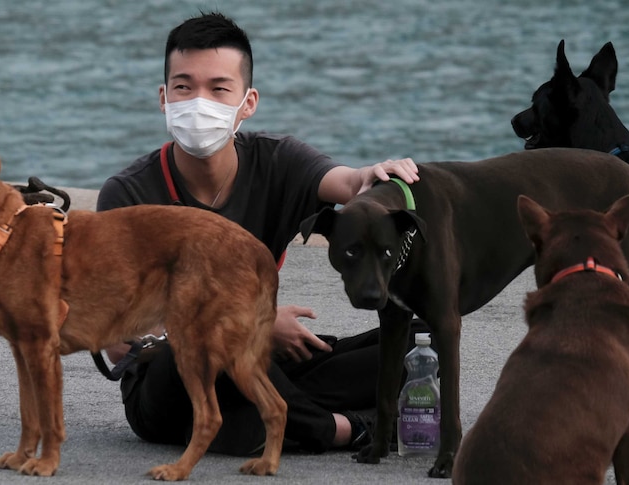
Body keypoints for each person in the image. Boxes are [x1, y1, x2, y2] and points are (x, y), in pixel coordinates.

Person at [97, 11, 426, 455]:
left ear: (247, 102)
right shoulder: (128, 194)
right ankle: (342, 429)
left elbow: (348, 184)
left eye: (218, 88)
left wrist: (379, 174)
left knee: (418, 345)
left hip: (257, 365)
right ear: (163, 98)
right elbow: (117, 344)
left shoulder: (277, 161)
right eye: (183, 86)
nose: (198, 101)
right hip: (168, 385)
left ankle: (265, 420)